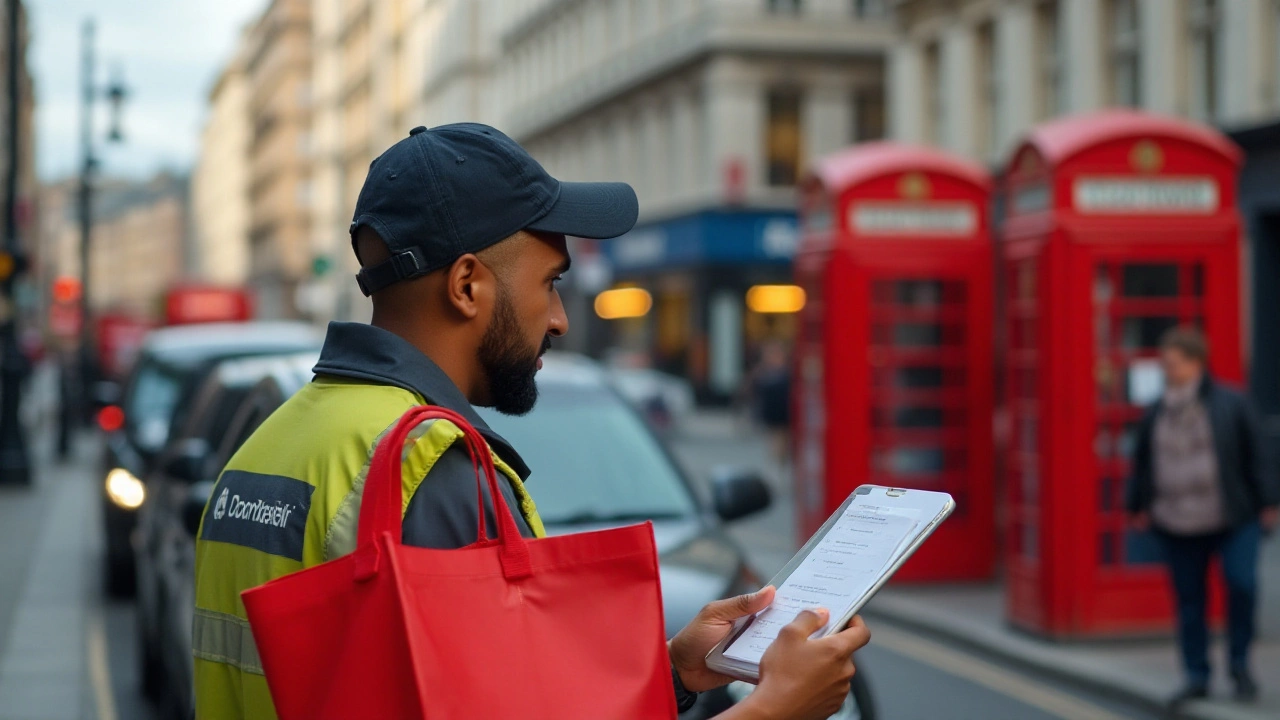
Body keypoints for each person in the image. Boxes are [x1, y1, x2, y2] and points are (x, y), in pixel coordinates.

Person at [192, 123, 870, 720]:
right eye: (549, 283)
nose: (559, 319)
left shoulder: (267, 444)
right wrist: (774, 709)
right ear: (466, 286)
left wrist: (669, 674)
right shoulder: (432, 470)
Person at [1126, 326, 1278, 706]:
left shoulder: (1232, 402)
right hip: (1176, 520)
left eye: (1174, 363)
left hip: (1232, 517)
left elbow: (1258, 454)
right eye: (1164, 363)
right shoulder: (1156, 410)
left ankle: (1240, 666)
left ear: (1196, 362)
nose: (1167, 370)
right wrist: (1137, 505)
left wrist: (1270, 501)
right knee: (1189, 601)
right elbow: (1142, 464)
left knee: (1241, 585)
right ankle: (1197, 675)